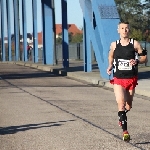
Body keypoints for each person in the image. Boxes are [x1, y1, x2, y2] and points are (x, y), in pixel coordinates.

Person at [107, 21, 147, 142]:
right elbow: (111, 56)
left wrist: (138, 61)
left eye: (126, 28)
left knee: (128, 105)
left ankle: (122, 116)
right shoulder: (114, 45)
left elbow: (145, 57)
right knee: (121, 103)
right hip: (118, 78)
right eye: (122, 28)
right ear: (118, 30)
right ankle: (125, 132)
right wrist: (110, 65)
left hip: (131, 78)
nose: (124, 30)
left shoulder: (135, 44)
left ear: (129, 30)